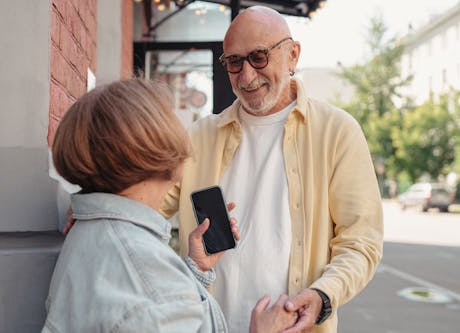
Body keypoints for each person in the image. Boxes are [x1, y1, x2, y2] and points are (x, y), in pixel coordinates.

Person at [161, 6, 384, 333]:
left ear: (292, 55)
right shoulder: (198, 136)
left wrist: (323, 295)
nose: (247, 76)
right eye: (234, 62)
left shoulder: (337, 132)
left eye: (259, 57)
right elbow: (148, 201)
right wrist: (103, 202)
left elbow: (361, 243)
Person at [43, 78, 298, 332]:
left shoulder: (92, 232)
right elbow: (153, 299)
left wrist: (194, 270)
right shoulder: (150, 279)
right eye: (170, 124)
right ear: (154, 150)